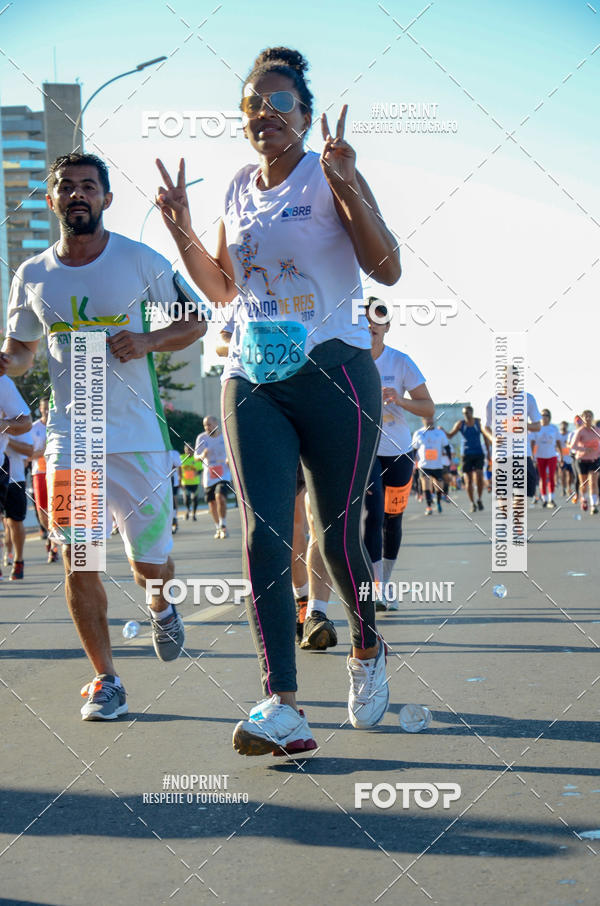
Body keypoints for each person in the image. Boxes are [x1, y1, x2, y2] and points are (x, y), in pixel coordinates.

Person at [156, 46, 400, 754]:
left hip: (337, 374)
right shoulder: (236, 184)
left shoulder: (331, 175)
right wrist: (180, 225)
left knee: (333, 536)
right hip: (252, 374)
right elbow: (224, 289)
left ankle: (366, 647)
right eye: (251, 105)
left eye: (276, 103)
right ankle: (282, 704)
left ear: (305, 113)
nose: (262, 114)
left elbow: (387, 266)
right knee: (267, 531)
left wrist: (350, 182)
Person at [1, 151, 206, 720]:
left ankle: (161, 605)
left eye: (88, 186)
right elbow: (21, 352)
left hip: (139, 436)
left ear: (106, 199)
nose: (77, 194)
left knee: (150, 565)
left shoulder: (141, 260)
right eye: (66, 187)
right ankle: (106, 679)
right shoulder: (32, 274)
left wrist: (145, 342)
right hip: (73, 437)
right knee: (80, 559)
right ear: (52, 201)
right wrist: (6, 359)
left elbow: (194, 323)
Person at [363, 299, 433, 610]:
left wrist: (400, 401)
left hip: (401, 452)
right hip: (366, 451)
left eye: (377, 321)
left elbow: (428, 407)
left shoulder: (400, 361)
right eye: (364, 321)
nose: (370, 326)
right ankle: (376, 586)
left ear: (387, 326)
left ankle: (386, 582)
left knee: (393, 518)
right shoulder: (350, 361)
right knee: (373, 514)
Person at [30, 397, 59, 562]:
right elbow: (28, 455)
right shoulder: (34, 428)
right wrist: (43, 451)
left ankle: (53, 545)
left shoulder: (59, 427)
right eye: (44, 408)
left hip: (56, 473)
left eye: (49, 408)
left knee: (55, 509)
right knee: (42, 512)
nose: (47, 411)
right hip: (39, 472)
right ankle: (50, 536)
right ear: (40, 409)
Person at [194, 416, 232, 539]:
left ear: (216, 423)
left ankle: (223, 525)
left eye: (209, 424)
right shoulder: (201, 438)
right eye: (205, 425)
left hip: (223, 474)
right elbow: (195, 456)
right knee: (212, 503)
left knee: (220, 496)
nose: (207, 427)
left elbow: (233, 452)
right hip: (209, 475)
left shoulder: (225, 436)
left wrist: (229, 460)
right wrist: (202, 455)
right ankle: (217, 527)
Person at [447, 405, 490, 513]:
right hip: (466, 454)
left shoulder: (478, 423)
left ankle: (479, 499)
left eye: (468, 413)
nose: (466, 415)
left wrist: (489, 453)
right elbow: (450, 435)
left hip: (479, 453)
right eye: (464, 413)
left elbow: (485, 437)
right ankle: (472, 502)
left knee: (480, 476)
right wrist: (442, 430)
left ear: (472, 412)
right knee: (468, 480)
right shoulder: (460, 424)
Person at [4, 428, 33, 579]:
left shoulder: (19, 425)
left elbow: (29, 451)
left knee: (15, 522)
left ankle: (18, 560)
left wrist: (7, 439)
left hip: (15, 479)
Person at [412, 417, 449, 515]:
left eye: (430, 419)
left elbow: (447, 447)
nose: (429, 421)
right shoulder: (418, 433)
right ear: (423, 420)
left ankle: (438, 502)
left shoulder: (440, 433)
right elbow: (414, 449)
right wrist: (412, 464)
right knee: (425, 483)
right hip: (424, 465)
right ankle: (428, 507)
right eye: (427, 419)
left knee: (439, 485)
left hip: (437, 465)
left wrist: (450, 460)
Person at [569, 410, 600, 514]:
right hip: (581, 460)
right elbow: (573, 446)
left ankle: (593, 505)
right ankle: (584, 499)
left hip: (594, 460)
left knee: (593, 483)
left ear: (592, 418)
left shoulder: (597, 430)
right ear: (582, 419)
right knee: (584, 483)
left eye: (590, 416)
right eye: (585, 416)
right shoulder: (580, 431)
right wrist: (584, 450)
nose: (588, 418)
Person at [531, 409, 562, 508]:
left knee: (551, 477)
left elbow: (558, 442)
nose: (544, 417)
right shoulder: (536, 428)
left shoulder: (553, 428)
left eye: (546, 415)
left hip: (552, 455)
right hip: (540, 456)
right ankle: (544, 499)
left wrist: (561, 455)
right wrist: (532, 456)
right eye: (542, 415)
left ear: (549, 417)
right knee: (542, 478)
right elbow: (532, 443)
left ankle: (551, 498)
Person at [180, 442, 203, 520]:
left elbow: (200, 470)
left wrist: (196, 473)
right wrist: (179, 479)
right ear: (184, 450)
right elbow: (178, 468)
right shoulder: (181, 458)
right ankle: (187, 510)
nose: (189, 451)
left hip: (195, 483)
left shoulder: (196, 458)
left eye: (190, 449)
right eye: (187, 449)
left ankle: (194, 514)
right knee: (186, 499)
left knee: (194, 498)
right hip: (185, 483)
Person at [558, 421, 574, 498]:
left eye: (565, 425)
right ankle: (563, 489)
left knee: (570, 475)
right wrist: (560, 453)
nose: (563, 426)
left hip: (570, 457)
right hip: (561, 458)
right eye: (562, 425)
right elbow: (555, 446)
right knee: (562, 474)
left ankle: (569, 488)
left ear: (567, 426)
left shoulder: (570, 434)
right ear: (560, 426)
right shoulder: (558, 435)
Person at [168, 447, 182, 533]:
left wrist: (180, 479)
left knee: (173, 500)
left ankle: (174, 519)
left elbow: (178, 466)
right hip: (161, 481)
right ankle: (169, 522)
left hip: (173, 480)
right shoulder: (158, 453)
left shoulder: (174, 453)